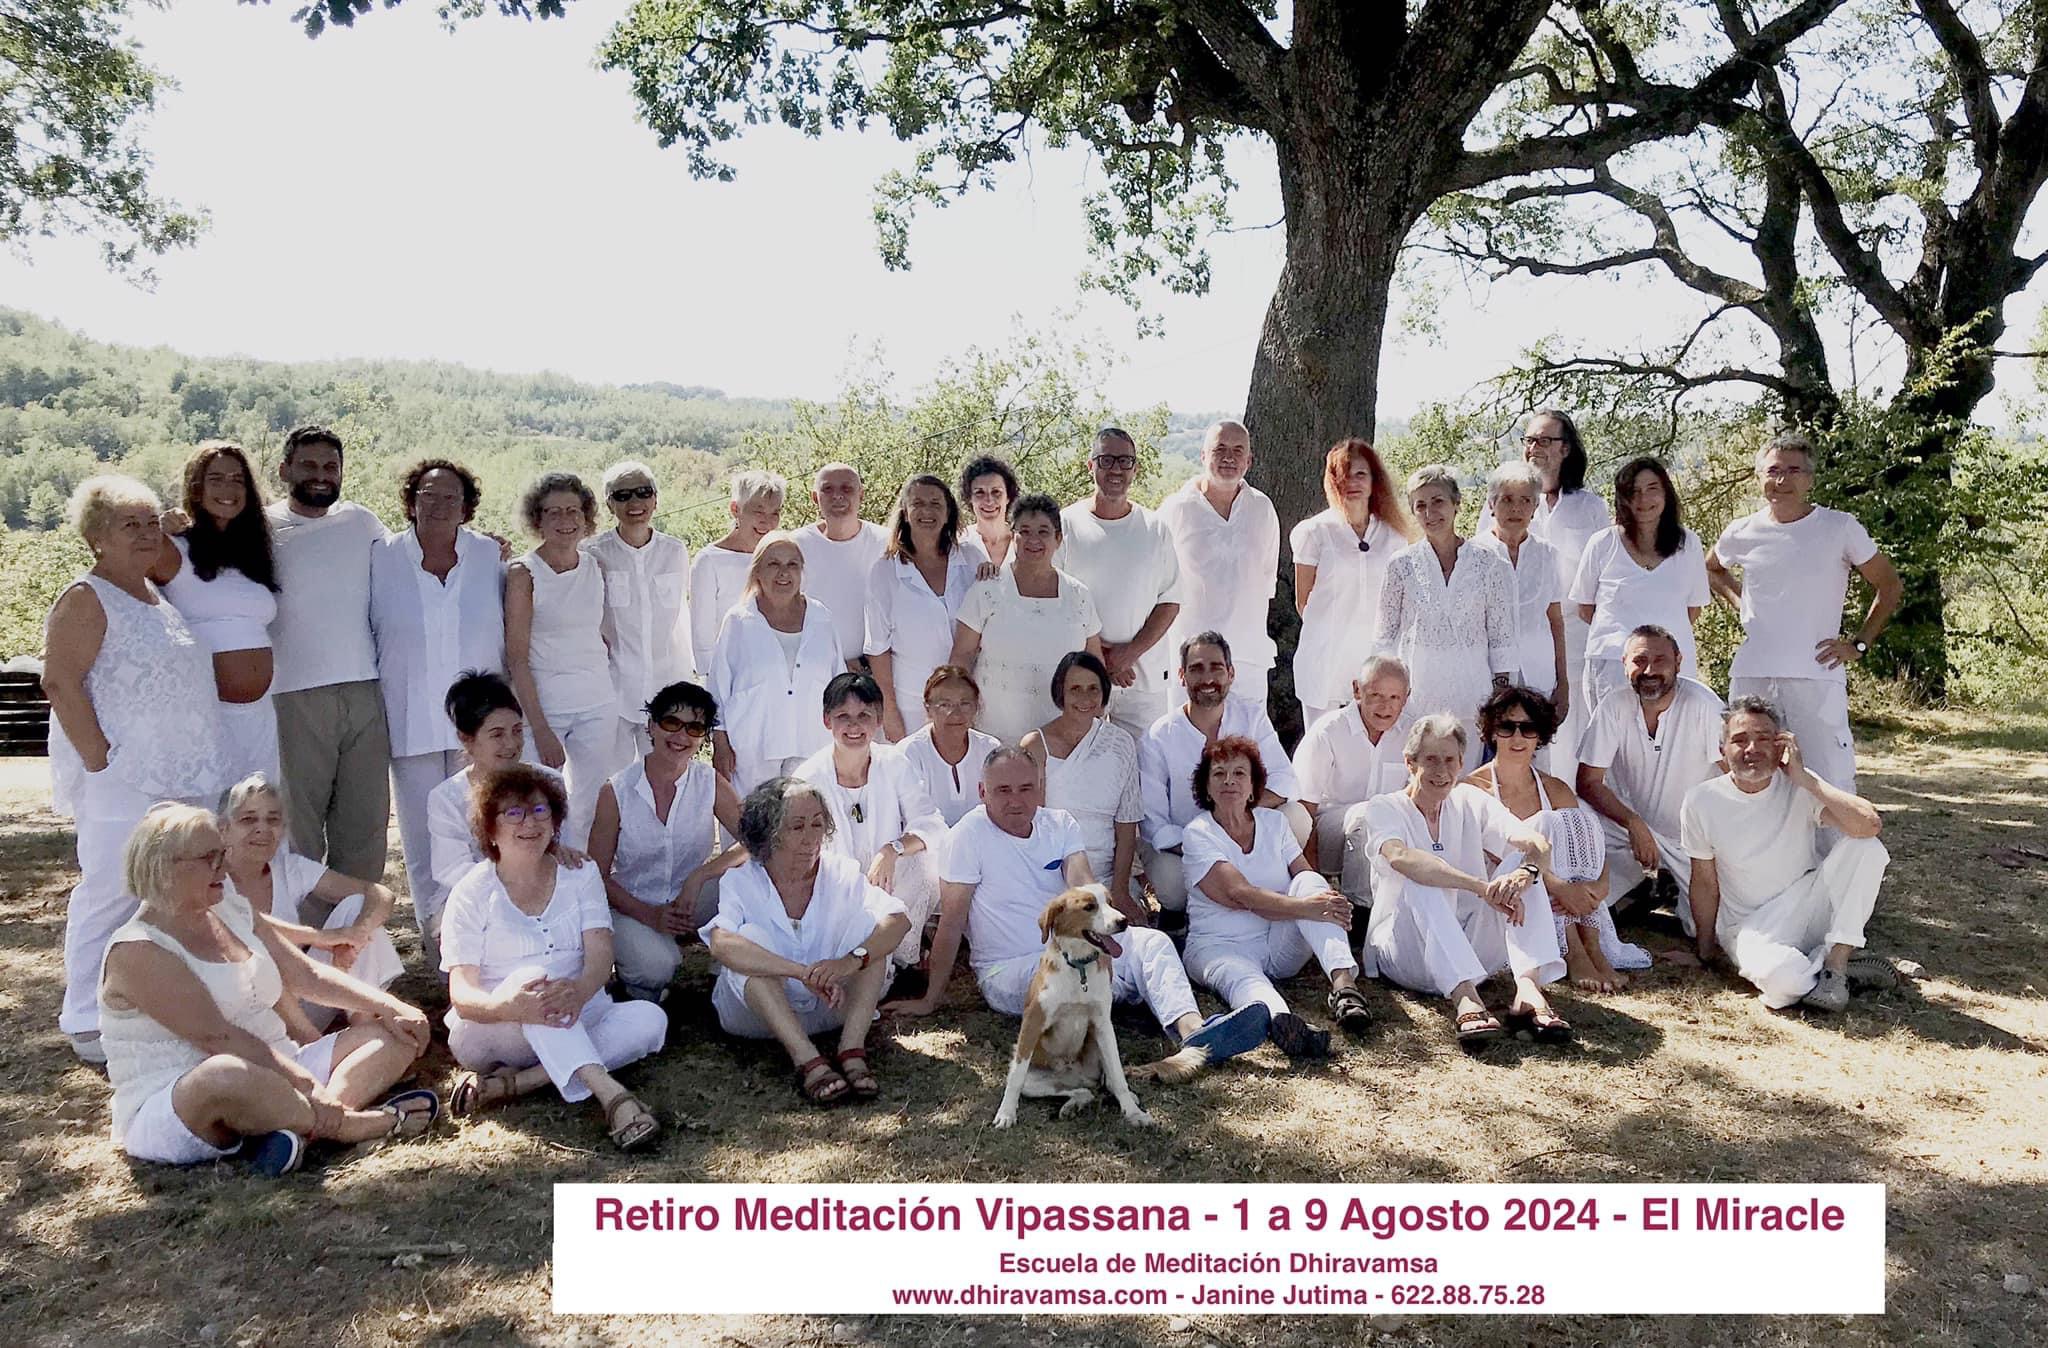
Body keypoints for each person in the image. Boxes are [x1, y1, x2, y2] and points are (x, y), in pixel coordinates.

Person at [883, 748, 1271, 1069]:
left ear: (1040, 788)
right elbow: (951, 924)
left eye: (1026, 788)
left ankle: (1194, 1034)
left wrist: (1103, 931)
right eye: (1003, 790)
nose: (1016, 800)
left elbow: (1083, 885)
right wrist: (930, 999)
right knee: (1074, 969)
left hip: (1075, 952)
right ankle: (1116, 1014)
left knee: (1152, 943)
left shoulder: (1059, 823)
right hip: (1009, 970)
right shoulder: (967, 836)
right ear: (983, 791)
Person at [99, 804, 435, 1173]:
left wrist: (389, 1007)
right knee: (224, 1073)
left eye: (222, 854)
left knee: (395, 1035)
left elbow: (307, 976)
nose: (223, 868)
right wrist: (309, 1086)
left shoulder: (231, 908)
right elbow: (219, 1038)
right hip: (183, 1096)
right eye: (210, 858)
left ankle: (304, 1129)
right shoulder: (138, 949)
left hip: (280, 1065)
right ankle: (356, 1125)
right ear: (164, 868)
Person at [43, 475, 227, 1062]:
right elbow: (60, 682)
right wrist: (101, 761)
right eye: (131, 525)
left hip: (180, 773)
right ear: (96, 536)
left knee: (168, 893)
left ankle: (147, 1004)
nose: (147, 534)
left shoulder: (154, 595)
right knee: (110, 890)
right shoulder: (86, 597)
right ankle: (84, 1016)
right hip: (124, 777)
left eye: (151, 523)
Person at [440, 764, 666, 1152]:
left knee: (651, 1019)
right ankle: (613, 1098)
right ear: (490, 828)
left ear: (555, 819)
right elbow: (462, 994)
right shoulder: (471, 892)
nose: (529, 822)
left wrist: (578, 992)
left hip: (579, 1008)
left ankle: (519, 1083)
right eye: (514, 813)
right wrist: (508, 1006)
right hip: (495, 1028)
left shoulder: (580, 873)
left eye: (540, 810)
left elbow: (600, 954)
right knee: (532, 979)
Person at [1707, 432, 1902, 794]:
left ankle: (1835, 835)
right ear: (1760, 477)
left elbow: (1889, 586)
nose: (1782, 480)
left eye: (1793, 471)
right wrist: (1742, 603)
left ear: (1810, 479)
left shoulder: (1840, 527)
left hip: (1816, 673)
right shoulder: (1742, 531)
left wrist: (1858, 645)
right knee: (1750, 775)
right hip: (1753, 672)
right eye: (1773, 471)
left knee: (1826, 779)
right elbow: (1712, 568)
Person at [1359, 714, 1570, 1045]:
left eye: (1450, 760)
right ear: (1410, 763)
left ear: (1460, 763)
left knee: (1519, 864)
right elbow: (1401, 857)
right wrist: (1481, 888)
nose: (1441, 771)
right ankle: (1465, 998)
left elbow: (1537, 843)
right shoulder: (1384, 807)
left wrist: (1525, 875)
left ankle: (1528, 990)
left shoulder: (1471, 799)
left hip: (1474, 950)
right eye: (1431, 759)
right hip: (1406, 955)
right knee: (1420, 875)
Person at [705, 777, 911, 1103]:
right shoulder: (741, 880)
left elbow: (898, 920)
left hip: (832, 1007)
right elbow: (720, 943)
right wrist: (800, 972)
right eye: (797, 827)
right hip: (760, 1017)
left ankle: (851, 1049)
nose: (811, 838)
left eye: (817, 824)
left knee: (871, 933)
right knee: (746, 941)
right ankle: (809, 1062)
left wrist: (850, 962)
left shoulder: (840, 872)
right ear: (768, 833)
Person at [1682, 697, 1893, 1012]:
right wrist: (1705, 950)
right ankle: (1838, 967)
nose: (1752, 749)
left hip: (1806, 903)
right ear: (1722, 748)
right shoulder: (1701, 800)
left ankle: (1836, 966)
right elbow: (1704, 882)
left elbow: (1869, 825)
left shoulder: (1800, 786)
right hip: (1750, 927)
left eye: (1763, 739)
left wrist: (1805, 778)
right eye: (1739, 740)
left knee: (1866, 847)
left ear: (1781, 744)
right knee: (1783, 982)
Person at [370, 458, 506, 926]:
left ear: (466, 507)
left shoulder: (489, 556)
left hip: (481, 727)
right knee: (425, 846)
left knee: (486, 833)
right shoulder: (381, 557)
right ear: (412, 501)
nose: (440, 505)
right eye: (429, 495)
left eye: (452, 497)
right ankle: (441, 948)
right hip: (412, 723)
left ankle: (494, 936)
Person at [1180, 737, 1369, 1058]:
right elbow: (1241, 895)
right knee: (1245, 979)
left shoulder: (1275, 822)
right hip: (1220, 946)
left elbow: (1305, 876)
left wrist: (1326, 903)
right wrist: (1309, 908)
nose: (1229, 781)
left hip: (1279, 944)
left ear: (1253, 786)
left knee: (1311, 881)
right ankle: (1284, 1022)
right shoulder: (1198, 832)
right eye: (1219, 774)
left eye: (1239, 773)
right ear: (1207, 788)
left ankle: (1344, 986)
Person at [265, 425, 391, 882]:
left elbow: (413, 560)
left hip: (365, 690)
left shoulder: (362, 522)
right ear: (285, 470)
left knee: (365, 825)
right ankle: (298, 921)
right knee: (297, 828)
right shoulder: (260, 527)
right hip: (293, 694)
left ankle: (357, 922)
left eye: (330, 467)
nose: (321, 475)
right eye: (309, 465)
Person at [1466, 687, 1645, 994]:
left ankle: (1593, 948)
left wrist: (1599, 886)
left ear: (1539, 735)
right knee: (1546, 824)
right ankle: (1574, 951)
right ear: (1493, 732)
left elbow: (1587, 844)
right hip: (1506, 890)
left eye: (1528, 728)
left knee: (1576, 820)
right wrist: (1560, 887)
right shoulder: (1473, 789)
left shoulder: (1555, 788)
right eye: (1507, 727)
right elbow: (1498, 855)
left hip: (1563, 890)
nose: (1518, 737)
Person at [588, 680, 745, 1003]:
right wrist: (650, 916)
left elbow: (756, 840)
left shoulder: (709, 782)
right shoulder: (616, 791)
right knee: (657, 968)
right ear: (651, 726)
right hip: (632, 905)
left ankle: (727, 976)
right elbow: (596, 875)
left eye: (694, 728)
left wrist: (700, 876)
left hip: (690, 898)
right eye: (671, 722)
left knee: (750, 877)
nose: (681, 736)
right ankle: (638, 988)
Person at [1479, 410, 1611, 779]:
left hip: (1572, 638)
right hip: (1504, 643)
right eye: (1529, 440)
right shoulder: (1507, 496)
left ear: (1565, 448)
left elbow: (1604, 572)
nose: (1534, 447)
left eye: (1544, 440)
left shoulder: (1590, 507)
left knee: (1564, 741)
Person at [218, 774, 405, 1026]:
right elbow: (246, 923)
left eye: (273, 820)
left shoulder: (288, 867)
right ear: (223, 830)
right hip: (241, 1017)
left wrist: (355, 937)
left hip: (301, 998)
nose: (262, 829)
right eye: (248, 819)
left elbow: (380, 894)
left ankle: (364, 1026)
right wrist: (324, 937)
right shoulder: (211, 879)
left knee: (357, 906)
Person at [1138, 632, 1306, 913]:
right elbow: (1154, 824)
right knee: (1171, 883)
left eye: (1216, 668)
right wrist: (1210, 840)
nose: (1207, 679)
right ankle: (1180, 919)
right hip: (1187, 845)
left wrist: (1237, 816)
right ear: (1182, 676)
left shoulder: (1251, 716)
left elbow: (1284, 780)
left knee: (1296, 817)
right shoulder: (1158, 737)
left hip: (1248, 833)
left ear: (1230, 673)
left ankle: (1275, 897)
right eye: (1196, 669)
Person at [506, 471, 626, 850]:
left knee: (584, 808)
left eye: (573, 510)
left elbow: (599, 633)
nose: (565, 520)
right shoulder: (523, 574)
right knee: (538, 805)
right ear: (537, 519)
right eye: (553, 512)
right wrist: (540, 728)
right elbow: (516, 658)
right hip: (544, 709)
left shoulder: (595, 566)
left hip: (597, 703)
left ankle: (575, 879)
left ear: (586, 516)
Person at [1576, 625, 1725, 929]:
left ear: (1678, 662)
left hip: (1694, 842)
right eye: (1639, 661)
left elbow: (1736, 776)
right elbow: (1588, 782)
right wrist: (1632, 822)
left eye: (1660, 660)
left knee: (1709, 926)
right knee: (1573, 821)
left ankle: (1666, 887)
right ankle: (1640, 889)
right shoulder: (1614, 705)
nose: (1649, 670)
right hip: (1630, 828)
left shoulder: (1705, 706)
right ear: (1624, 664)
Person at [796, 673, 947, 967]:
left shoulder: (893, 762)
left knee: (924, 863)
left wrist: (892, 849)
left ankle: (901, 959)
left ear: (878, 719)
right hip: (831, 889)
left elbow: (931, 822)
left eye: (864, 716)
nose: (854, 726)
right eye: (843, 716)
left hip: (886, 880)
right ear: (827, 720)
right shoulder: (808, 777)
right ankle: (872, 962)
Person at [152, 441, 281, 783]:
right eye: (216, 479)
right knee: (209, 806)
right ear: (196, 487)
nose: (228, 489)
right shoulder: (175, 548)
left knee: (259, 804)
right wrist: (156, 529)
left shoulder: (254, 554)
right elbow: (118, 568)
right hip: (205, 715)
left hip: (260, 717)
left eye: (238, 480)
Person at [1372, 465, 1516, 769]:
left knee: (1466, 784)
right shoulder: (1401, 565)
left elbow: (1502, 637)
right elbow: (1384, 635)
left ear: (1456, 504)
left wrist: (1502, 701)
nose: (1429, 513)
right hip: (1416, 699)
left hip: (1472, 700)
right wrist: (1383, 692)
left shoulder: (1490, 564)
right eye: (1420, 505)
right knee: (1417, 781)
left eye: (1437, 501)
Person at [1056, 428, 1183, 738]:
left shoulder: (1155, 528)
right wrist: (1099, 656)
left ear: (1135, 468)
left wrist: (1129, 654)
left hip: (1143, 680)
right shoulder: (1064, 525)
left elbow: (1169, 601)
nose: (1116, 469)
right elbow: (1053, 596)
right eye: (1106, 460)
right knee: (1083, 758)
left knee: (1147, 765)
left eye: (1125, 461)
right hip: (1081, 676)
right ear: (1090, 465)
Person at [949, 492, 1105, 742]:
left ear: (1058, 539)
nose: (1034, 540)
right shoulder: (986, 590)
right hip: (996, 733)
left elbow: (1094, 662)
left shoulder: (1079, 595)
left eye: (1043, 532)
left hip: (1064, 736)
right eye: (1025, 531)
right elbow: (962, 656)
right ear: (1013, 537)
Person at [1156, 421, 1281, 707]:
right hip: (1191, 658)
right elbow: (1157, 585)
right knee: (1188, 733)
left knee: (1246, 735)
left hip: (1248, 657)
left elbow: (1266, 581)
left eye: (1238, 451)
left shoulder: (1262, 508)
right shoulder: (1176, 509)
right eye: (1220, 449)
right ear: (1203, 456)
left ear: (1249, 460)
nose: (1229, 457)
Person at [1291, 438, 1414, 727]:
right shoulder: (1314, 532)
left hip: (1374, 660)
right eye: (1344, 475)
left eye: (1360, 474)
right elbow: (1303, 601)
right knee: (1322, 742)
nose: (1352, 482)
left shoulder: (1394, 537)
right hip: (1325, 661)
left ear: (1373, 480)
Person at [1571, 457, 1710, 711]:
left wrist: (1657, 648)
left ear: (1666, 493)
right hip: (1612, 667)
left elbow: (1693, 609)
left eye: (1652, 489)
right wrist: (1626, 642)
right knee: (1613, 737)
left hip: (1672, 669)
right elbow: (1585, 608)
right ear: (1622, 498)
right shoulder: (1602, 543)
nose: (1643, 499)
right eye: (1633, 491)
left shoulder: (1688, 544)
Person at [709, 529, 842, 794]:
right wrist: (720, 742)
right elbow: (717, 688)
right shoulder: (738, 621)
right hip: (753, 749)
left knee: (808, 814)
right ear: (757, 571)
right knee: (754, 816)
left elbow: (838, 683)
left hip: (811, 743)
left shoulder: (821, 618)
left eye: (792, 564)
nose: (784, 573)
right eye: (773, 564)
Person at [1021, 651, 1144, 904]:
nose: (1085, 698)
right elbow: (1032, 825)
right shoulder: (1035, 745)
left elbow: (1127, 823)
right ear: (1061, 692)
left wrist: (1120, 890)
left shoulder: (1121, 742)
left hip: (1107, 878)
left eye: (1093, 689)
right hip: (1049, 877)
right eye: (1075, 689)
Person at [587, 460, 694, 752]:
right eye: (622, 495)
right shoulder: (593, 554)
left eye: (643, 492)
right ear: (609, 504)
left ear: (655, 499)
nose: (635, 502)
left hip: (666, 689)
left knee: (663, 772)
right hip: (612, 691)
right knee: (609, 775)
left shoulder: (674, 551)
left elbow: (681, 619)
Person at [865, 474, 982, 739]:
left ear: (948, 512)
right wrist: (890, 712)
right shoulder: (885, 572)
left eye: (935, 504)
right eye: (917, 503)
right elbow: (878, 649)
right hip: (911, 704)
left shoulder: (972, 559)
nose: (927, 511)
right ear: (905, 512)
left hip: (969, 700)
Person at [1295, 655, 1414, 911]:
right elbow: (1304, 809)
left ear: (1406, 697)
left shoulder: (1412, 734)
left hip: (1390, 838)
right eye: (1376, 695)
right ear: (1357, 690)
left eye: (1394, 697)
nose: (1385, 706)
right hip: (1329, 835)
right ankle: (1358, 912)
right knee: (1369, 814)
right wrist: (1312, 880)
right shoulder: (1328, 731)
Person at [1472, 461, 1569, 735]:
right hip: (1488, 678)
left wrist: (1563, 683)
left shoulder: (1547, 554)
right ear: (1491, 505)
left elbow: (1555, 621)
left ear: (1535, 507)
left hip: (1539, 676)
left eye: (1525, 500)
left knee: (1535, 750)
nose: (1516, 508)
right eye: (1507, 500)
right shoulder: (1473, 554)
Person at [689, 469, 786, 675]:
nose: (767, 522)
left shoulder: (785, 558)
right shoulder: (709, 560)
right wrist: (714, 682)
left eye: (775, 513)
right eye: (758, 512)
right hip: (728, 675)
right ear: (735, 509)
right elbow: (702, 637)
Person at [794, 462, 888, 672]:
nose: (837, 496)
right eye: (828, 489)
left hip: (872, 671)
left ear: (861, 495)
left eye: (847, 488)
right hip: (812, 670)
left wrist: (863, 662)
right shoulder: (795, 545)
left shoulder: (887, 542)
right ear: (815, 497)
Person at [896, 667, 1001, 832]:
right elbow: (912, 819)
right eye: (945, 705)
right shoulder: (908, 753)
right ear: (928, 708)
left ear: (976, 706)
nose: (956, 714)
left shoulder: (990, 749)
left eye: (964, 704)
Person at [957, 454, 1021, 568]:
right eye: (979, 492)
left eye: (996, 492)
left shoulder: (1024, 543)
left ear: (1008, 497)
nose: (989, 501)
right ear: (969, 498)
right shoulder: (958, 544)